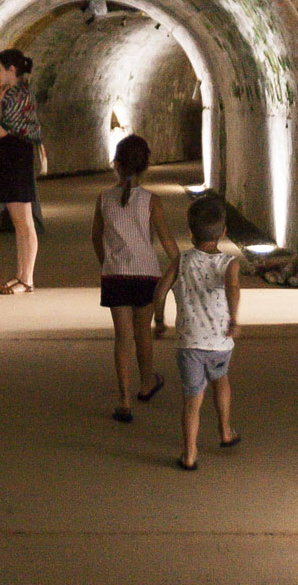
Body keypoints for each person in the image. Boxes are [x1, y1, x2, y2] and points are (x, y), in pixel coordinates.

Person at [92, 134, 180, 423]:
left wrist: (107, 264)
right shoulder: (151, 201)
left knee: (122, 338)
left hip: (115, 276)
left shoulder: (103, 199)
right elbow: (169, 246)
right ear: (145, 166)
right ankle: (146, 383)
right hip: (145, 275)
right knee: (143, 333)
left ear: (116, 164)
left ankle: (124, 401)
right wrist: (176, 270)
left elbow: (96, 238)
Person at [153, 194, 241, 469]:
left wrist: (159, 320)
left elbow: (160, 291)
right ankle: (225, 431)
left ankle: (189, 453)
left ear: (190, 233)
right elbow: (232, 288)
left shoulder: (181, 260)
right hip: (220, 342)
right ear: (223, 232)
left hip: (189, 344)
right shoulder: (229, 263)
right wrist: (233, 319)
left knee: (192, 399)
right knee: (221, 380)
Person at [0, 48, 42, 294]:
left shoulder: (17, 95)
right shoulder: (15, 93)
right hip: (14, 156)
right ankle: (21, 274)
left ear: (12, 70)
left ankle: (27, 278)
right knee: (19, 223)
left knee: (24, 222)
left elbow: (2, 129)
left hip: (16, 157)